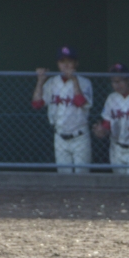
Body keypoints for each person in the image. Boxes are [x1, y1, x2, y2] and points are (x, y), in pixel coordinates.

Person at [31, 46, 93, 174]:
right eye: (62, 61)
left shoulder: (85, 82)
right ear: (58, 64)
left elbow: (80, 102)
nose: (66, 65)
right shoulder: (52, 82)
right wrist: (40, 82)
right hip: (59, 136)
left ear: (76, 63)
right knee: (64, 177)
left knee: (82, 177)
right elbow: (37, 104)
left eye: (69, 61)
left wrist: (74, 80)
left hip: (80, 136)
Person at [92, 63, 129, 175]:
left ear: (128, 80)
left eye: (120, 81)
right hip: (116, 149)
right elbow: (107, 122)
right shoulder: (111, 98)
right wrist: (103, 130)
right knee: (118, 183)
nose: (117, 85)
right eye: (114, 81)